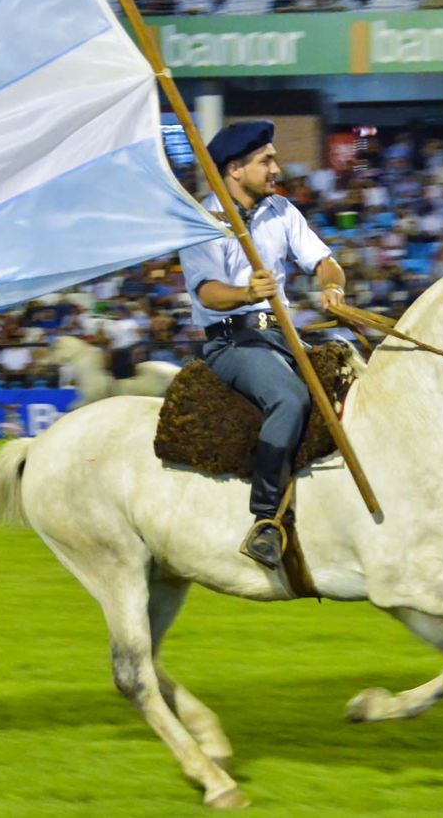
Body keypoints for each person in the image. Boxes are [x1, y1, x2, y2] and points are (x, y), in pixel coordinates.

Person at [177, 120, 346, 569]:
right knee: (289, 399)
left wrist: (333, 286)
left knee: (351, 384)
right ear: (235, 169)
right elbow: (207, 292)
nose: (277, 169)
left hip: (283, 335)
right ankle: (266, 521)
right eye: (266, 161)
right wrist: (246, 292)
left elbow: (325, 262)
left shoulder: (282, 211)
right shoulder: (202, 221)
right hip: (233, 341)